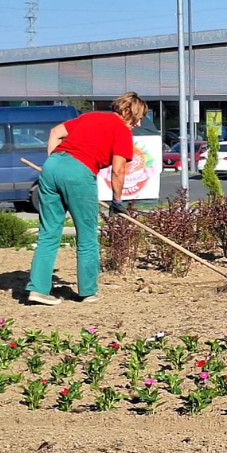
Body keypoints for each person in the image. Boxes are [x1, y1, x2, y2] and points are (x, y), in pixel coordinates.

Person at [26, 92, 148, 305]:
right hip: (79, 172)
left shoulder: (91, 117)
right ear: (127, 112)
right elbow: (118, 170)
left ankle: (38, 289)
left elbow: (55, 132)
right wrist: (117, 202)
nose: (138, 124)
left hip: (52, 166)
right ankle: (87, 291)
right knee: (87, 235)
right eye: (137, 117)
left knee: (48, 233)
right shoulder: (121, 131)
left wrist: (56, 166)